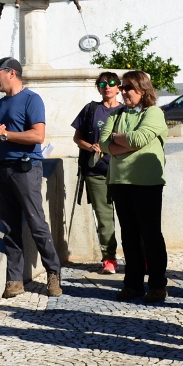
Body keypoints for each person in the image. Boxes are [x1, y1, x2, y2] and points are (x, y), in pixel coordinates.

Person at [0, 57, 62, 300]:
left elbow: (38, 136)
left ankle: (53, 273)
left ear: (11, 73)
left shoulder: (31, 100)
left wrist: (4, 135)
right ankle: (15, 279)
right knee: (10, 227)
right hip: (3, 169)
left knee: (36, 223)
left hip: (26, 170)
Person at [98, 70, 169, 303]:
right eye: (123, 86)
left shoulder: (154, 113)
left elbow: (139, 139)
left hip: (146, 182)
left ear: (143, 89)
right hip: (121, 181)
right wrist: (125, 141)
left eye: (129, 87)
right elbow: (104, 143)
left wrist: (119, 140)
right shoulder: (116, 113)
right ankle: (133, 284)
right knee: (129, 236)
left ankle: (158, 285)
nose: (124, 91)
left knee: (150, 235)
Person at [71, 71, 122, 275]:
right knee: (104, 217)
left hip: (122, 171)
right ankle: (109, 259)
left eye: (111, 83)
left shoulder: (126, 110)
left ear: (118, 87)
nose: (107, 87)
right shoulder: (91, 109)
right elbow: (77, 137)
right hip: (95, 172)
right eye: (102, 84)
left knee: (129, 217)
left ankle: (139, 257)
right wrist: (89, 146)